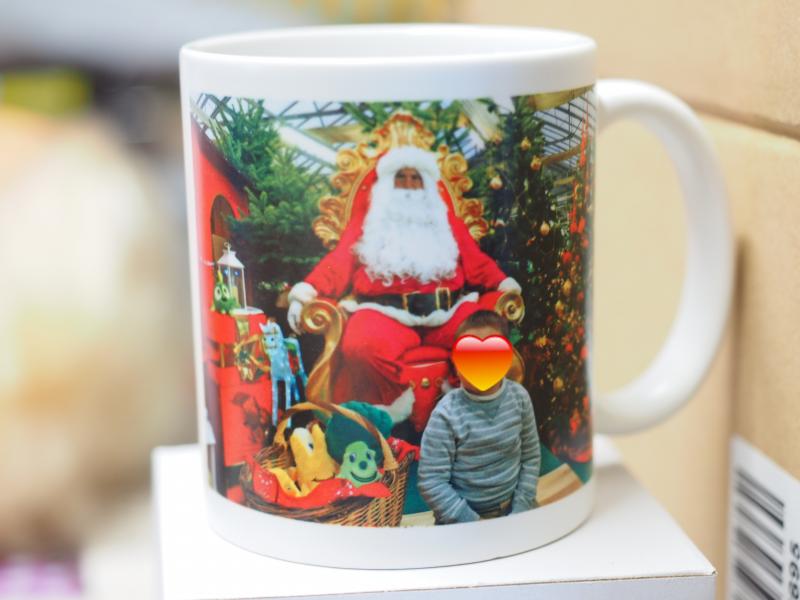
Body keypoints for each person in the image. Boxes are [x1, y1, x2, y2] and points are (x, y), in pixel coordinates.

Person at [286, 145, 521, 425]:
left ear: (426, 184)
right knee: (361, 345)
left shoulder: (446, 222)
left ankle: (468, 410)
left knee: (485, 340)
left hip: (448, 312)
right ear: (388, 184)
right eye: (401, 177)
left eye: (415, 178)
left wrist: (504, 284)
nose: (409, 185)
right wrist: (304, 294)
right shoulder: (368, 223)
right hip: (385, 314)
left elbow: (477, 263)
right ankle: (392, 418)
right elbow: (338, 264)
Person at [417, 310, 540, 524]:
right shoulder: (446, 414)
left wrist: (521, 507)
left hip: (516, 507)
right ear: (456, 363)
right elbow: (431, 481)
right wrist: (474, 523)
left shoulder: (519, 397)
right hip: (463, 517)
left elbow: (530, 457)